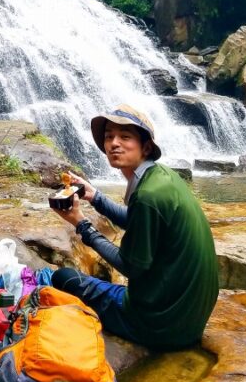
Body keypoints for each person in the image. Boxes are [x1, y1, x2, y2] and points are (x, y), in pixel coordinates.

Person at [50, 104, 219, 350]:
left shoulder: (148, 196)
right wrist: (94, 196)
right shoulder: (162, 177)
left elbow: (131, 267)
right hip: (188, 318)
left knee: (62, 277)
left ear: (146, 146)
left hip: (158, 325)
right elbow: (135, 219)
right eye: (109, 137)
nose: (114, 143)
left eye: (125, 137)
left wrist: (81, 224)